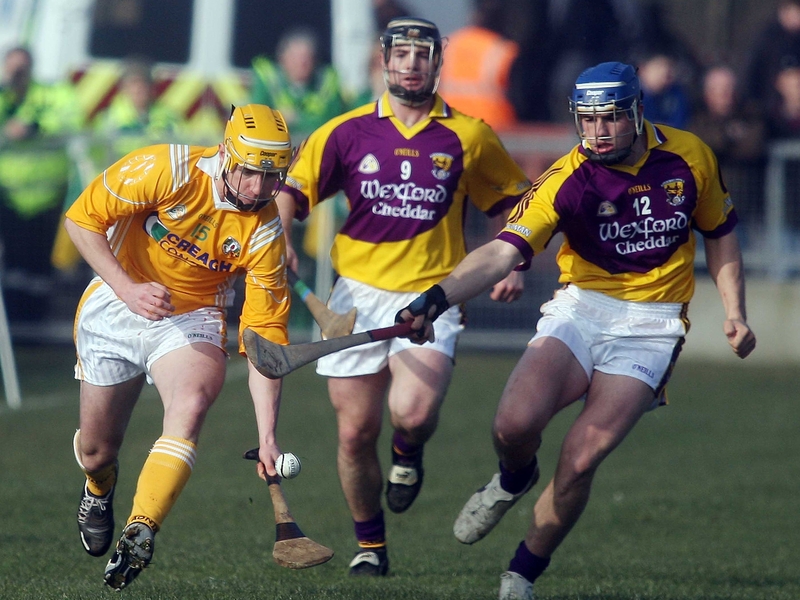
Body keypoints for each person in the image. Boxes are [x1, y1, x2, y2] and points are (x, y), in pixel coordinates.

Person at [397, 61, 756, 600]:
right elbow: (501, 252)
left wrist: (735, 311)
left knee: (581, 457)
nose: (598, 131)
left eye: (610, 118)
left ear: (637, 113)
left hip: (652, 327)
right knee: (513, 425)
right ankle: (514, 477)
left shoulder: (690, 156)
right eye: (587, 120)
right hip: (581, 308)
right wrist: (437, 298)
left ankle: (520, 574)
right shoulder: (567, 178)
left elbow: (721, 233)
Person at [275, 17, 531, 577]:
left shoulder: (469, 135)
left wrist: (513, 260)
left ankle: (408, 452)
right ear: (383, 61)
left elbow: (518, 206)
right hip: (355, 297)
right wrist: (284, 236)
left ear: (438, 62)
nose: (411, 64)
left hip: (434, 293)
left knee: (411, 413)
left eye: (422, 54)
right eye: (401, 54)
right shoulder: (346, 131)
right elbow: (291, 191)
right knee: (353, 431)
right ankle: (371, 545)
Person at [65, 104, 294, 590]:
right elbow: (81, 220)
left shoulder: (266, 231)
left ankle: (141, 528)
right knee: (95, 450)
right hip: (116, 295)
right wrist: (128, 288)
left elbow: (262, 344)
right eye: (251, 173)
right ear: (228, 155)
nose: (258, 189)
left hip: (192, 317)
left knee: (190, 405)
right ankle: (98, 486)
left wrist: (268, 436)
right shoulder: (164, 168)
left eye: (272, 178)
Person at [0, 45, 82, 322]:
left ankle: (36, 318)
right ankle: (13, 321)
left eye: (22, 68)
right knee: (11, 262)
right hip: (8, 194)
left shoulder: (51, 93)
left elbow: (70, 117)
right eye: (13, 68)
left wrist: (33, 126)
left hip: (46, 193)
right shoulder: (3, 95)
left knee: (38, 261)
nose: (18, 74)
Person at [250, 27, 346, 144]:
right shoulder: (268, 77)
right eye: (295, 57)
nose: (301, 63)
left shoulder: (328, 81)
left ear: (315, 60)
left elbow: (332, 121)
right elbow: (258, 119)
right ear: (282, 58)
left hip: (316, 146)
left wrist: (294, 119)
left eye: (306, 58)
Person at [437, 0, 520, 131]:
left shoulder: (447, 45)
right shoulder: (504, 50)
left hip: (449, 124)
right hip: (492, 127)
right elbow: (519, 96)